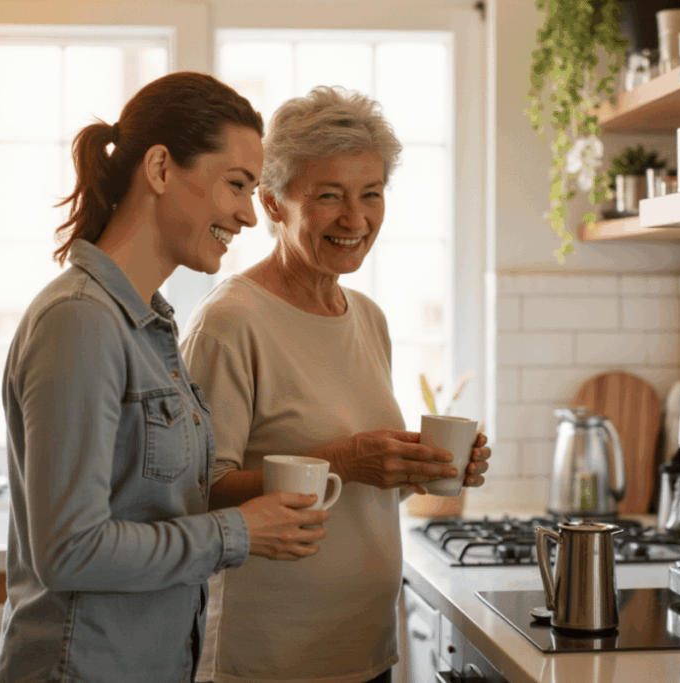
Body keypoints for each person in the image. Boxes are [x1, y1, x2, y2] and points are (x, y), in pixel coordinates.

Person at [0, 72, 331, 683]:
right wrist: (239, 533)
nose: (248, 216)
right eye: (236, 184)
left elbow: (153, 505)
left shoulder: (151, 324)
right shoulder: (81, 321)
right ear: (160, 168)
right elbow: (70, 550)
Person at [180, 86, 492, 683]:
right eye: (329, 196)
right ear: (272, 204)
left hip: (363, 649)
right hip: (265, 660)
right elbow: (198, 493)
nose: (356, 218)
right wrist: (343, 461)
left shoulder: (368, 318)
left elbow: (362, 496)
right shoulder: (231, 321)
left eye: (370, 194)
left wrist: (414, 467)